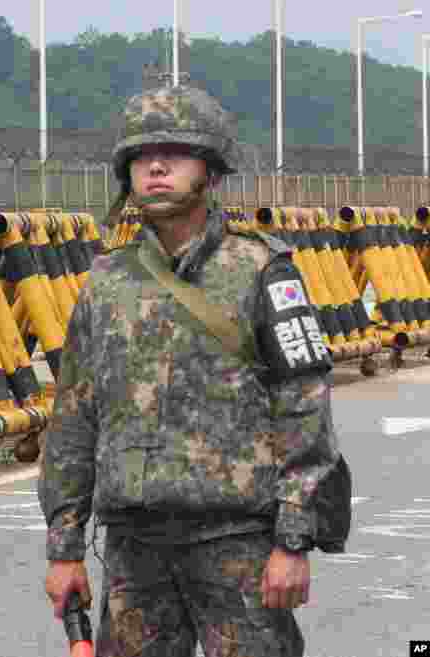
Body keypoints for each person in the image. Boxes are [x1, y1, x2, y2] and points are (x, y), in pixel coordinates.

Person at [38, 85, 345, 656]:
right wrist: (64, 548)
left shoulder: (262, 270)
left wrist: (294, 541)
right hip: (134, 549)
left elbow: (304, 404)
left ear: (211, 169)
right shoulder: (107, 281)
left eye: (176, 153)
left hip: (239, 544)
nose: (155, 166)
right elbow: (74, 420)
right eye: (141, 155)